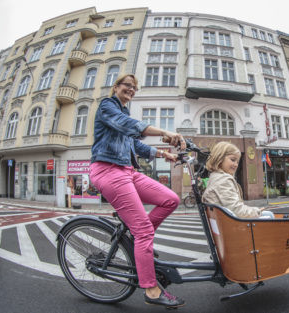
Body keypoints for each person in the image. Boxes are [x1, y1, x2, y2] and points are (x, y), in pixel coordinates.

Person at [89, 74, 186, 308]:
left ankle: (138, 239)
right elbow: (130, 126)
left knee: (170, 199)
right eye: (127, 86)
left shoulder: (124, 114)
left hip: (127, 172)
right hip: (108, 170)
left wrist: (164, 154)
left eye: (134, 88)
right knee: (144, 231)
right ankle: (151, 291)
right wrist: (165, 131)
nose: (131, 90)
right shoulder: (108, 106)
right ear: (115, 87)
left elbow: (136, 144)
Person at [202, 141, 273, 218]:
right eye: (232, 160)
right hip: (232, 226)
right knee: (269, 215)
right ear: (220, 158)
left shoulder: (214, 177)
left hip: (224, 222)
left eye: (237, 162)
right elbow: (237, 210)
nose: (236, 165)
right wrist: (257, 211)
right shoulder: (223, 180)